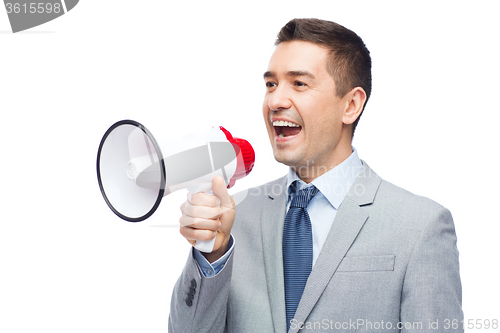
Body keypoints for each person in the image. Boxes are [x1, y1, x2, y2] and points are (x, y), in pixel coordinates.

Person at [168, 18, 463, 333]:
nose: (275, 101)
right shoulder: (234, 218)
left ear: (350, 105)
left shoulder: (420, 226)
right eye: (271, 84)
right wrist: (212, 253)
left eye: (299, 84)